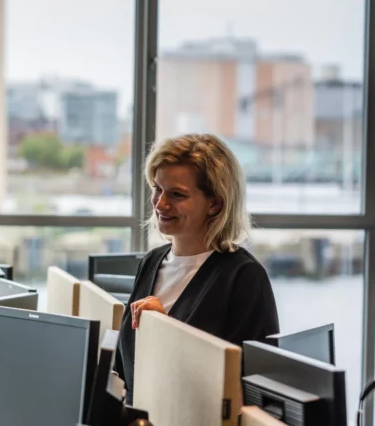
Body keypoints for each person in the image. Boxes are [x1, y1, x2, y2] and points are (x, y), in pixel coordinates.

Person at [115, 133, 280, 403]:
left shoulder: (243, 277)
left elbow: (249, 391)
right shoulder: (151, 262)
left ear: (215, 203)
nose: (160, 203)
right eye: (157, 189)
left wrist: (167, 330)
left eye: (177, 194)